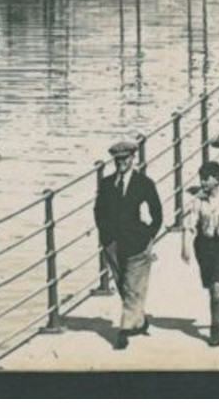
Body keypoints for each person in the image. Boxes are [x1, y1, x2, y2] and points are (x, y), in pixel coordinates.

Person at [93, 139, 163, 349]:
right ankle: (139, 320)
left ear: (133, 158)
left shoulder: (144, 184)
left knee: (132, 287)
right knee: (124, 284)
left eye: (124, 159)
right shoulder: (106, 184)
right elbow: (98, 211)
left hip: (136, 242)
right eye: (117, 159)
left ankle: (123, 331)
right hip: (112, 243)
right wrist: (105, 236)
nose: (120, 163)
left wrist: (149, 236)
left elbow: (157, 214)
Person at [180, 161, 219, 347]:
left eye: (206, 179)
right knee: (210, 286)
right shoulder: (198, 200)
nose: (202, 183)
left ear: (216, 179)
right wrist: (185, 247)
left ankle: (214, 329)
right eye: (201, 179)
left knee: (217, 286)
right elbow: (190, 224)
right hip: (203, 245)